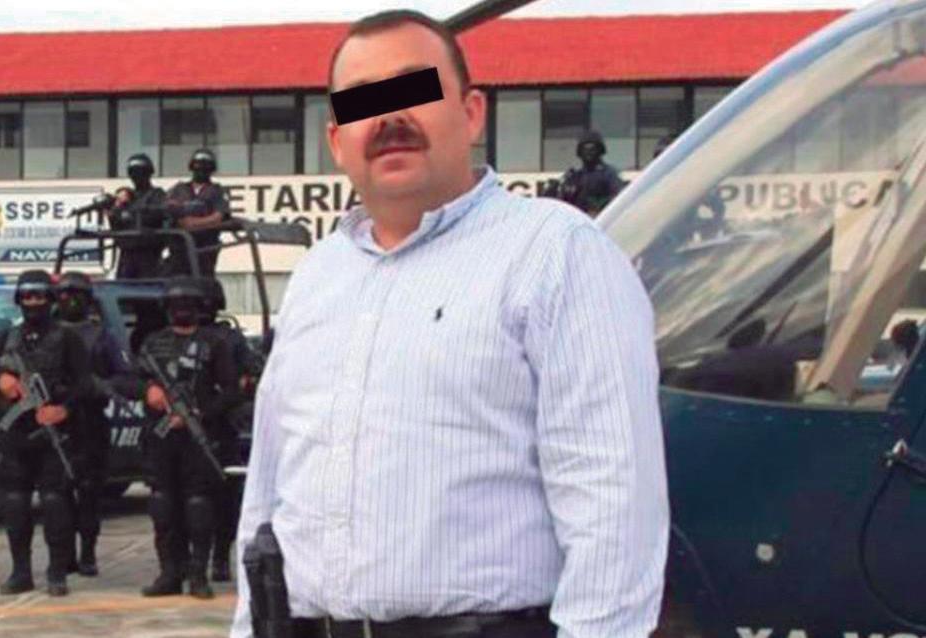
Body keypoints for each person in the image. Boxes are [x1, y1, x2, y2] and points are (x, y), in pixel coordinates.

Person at [232, 10, 668, 638]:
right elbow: (268, 492)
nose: (389, 117)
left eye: (414, 89)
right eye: (364, 102)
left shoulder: (556, 253)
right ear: (337, 140)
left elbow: (614, 504)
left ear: (471, 112)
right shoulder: (316, 277)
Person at [0, 270, 91, 596]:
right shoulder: (5, 339)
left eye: (39, 296)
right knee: (15, 503)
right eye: (27, 297)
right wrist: (0, 381)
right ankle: (20, 572)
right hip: (15, 434)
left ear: (50, 299)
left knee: (55, 502)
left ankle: (57, 572)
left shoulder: (67, 338)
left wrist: (64, 409)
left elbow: (86, 383)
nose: (33, 303)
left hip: (53, 433)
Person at [127, 276, 238, 599]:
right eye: (176, 305)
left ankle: (198, 574)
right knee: (163, 505)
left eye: (188, 304)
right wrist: (148, 390)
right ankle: (169, 573)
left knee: (198, 507)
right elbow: (126, 381)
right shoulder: (153, 344)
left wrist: (200, 413)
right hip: (161, 440)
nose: (182, 310)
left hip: (198, 438)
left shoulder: (213, 344)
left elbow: (231, 391)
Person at [54, 271, 132, 577]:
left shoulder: (102, 336)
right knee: (57, 492)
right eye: (64, 294)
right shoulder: (46, 334)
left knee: (88, 491)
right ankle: (64, 555)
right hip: (55, 419)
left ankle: (87, 553)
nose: (70, 300)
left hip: (89, 420)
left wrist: (99, 386)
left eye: (77, 295)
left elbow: (125, 378)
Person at [197, 278, 257, 583]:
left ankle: (220, 555)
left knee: (224, 497)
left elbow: (251, 375)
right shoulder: (172, 338)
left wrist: (232, 393)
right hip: (184, 428)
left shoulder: (230, 339)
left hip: (221, 424)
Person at [160, 149, 232, 278]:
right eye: (198, 167)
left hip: (205, 250)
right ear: (192, 167)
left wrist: (193, 223)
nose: (201, 171)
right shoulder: (178, 189)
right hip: (180, 250)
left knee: (203, 283)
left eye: (205, 168)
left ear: (211, 170)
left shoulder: (217, 191)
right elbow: (167, 209)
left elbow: (218, 217)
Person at [105, 153, 169, 280]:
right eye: (133, 172)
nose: (137, 176)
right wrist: (114, 209)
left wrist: (130, 212)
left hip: (149, 256)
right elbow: (116, 225)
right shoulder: (125, 197)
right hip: (126, 255)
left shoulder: (157, 195)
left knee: (149, 288)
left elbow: (154, 216)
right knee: (122, 288)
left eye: (141, 172)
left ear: (148, 173)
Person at [556, 130, 626, 218]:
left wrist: (598, 206)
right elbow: (563, 203)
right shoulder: (574, 176)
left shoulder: (608, 174)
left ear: (600, 151)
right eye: (585, 149)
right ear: (580, 152)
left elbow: (619, 198)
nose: (588, 152)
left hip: (600, 219)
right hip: (578, 220)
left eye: (592, 149)